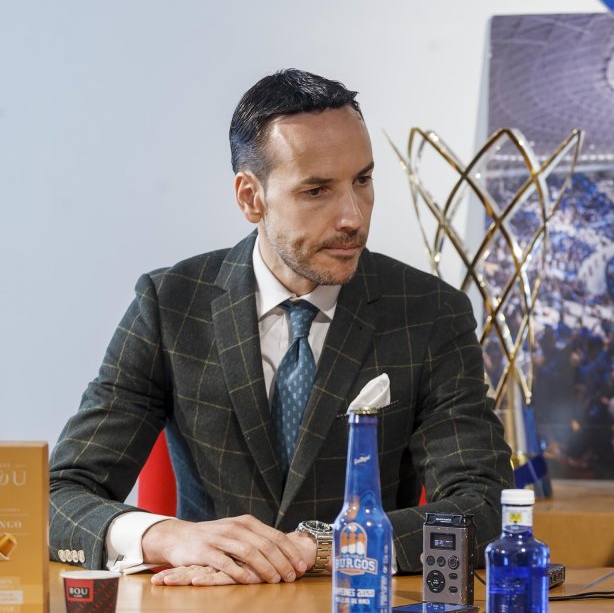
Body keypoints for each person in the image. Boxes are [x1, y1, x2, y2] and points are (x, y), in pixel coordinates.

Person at [48, 69, 513, 586]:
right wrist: (167, 536)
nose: (353, 217)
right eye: (317, 190)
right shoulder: (170, 304)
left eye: (363, 180)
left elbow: (484, 507)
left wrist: (314, 548)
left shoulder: (429, 312)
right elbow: (59, 496)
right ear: (251, 197)